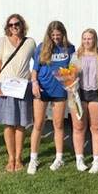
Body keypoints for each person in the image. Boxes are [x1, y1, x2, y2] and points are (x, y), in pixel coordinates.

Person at [28, 21, 75, 174]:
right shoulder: (41, 48)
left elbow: (72, 69)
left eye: (58, 35)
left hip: (60, 91)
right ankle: (33, 159)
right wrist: (34, 83)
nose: (55, 38)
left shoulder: (70, 48)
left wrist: (71, 80)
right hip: (42, 89)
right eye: (53, 35)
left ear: (63, 33)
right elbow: (35, 70)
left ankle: (59, 158)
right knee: (38, 124)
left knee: (58, 124)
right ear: (49, 34)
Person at [0, 14, 36, 172]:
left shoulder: (30, 42)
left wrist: (34, 79)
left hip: (23, 87)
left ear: (22, 25)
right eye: (10, 25)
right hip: (6, 86)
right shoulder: (3, 41)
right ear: (7, 27)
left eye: (17, 24)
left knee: (21, 124)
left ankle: (19, 158)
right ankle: (11, 158)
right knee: (8, 124)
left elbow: (37, 63)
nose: (14, 27)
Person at [70, 29, 98, 173]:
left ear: (95, 40)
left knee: (96, 128)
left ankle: (96, 160)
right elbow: (69, 75)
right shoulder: (75, 55)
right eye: (84, 38)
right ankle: (79, 159)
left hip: (97, 94)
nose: (87, 41)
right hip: (78, 95)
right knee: (79, 127)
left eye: (90, 38)